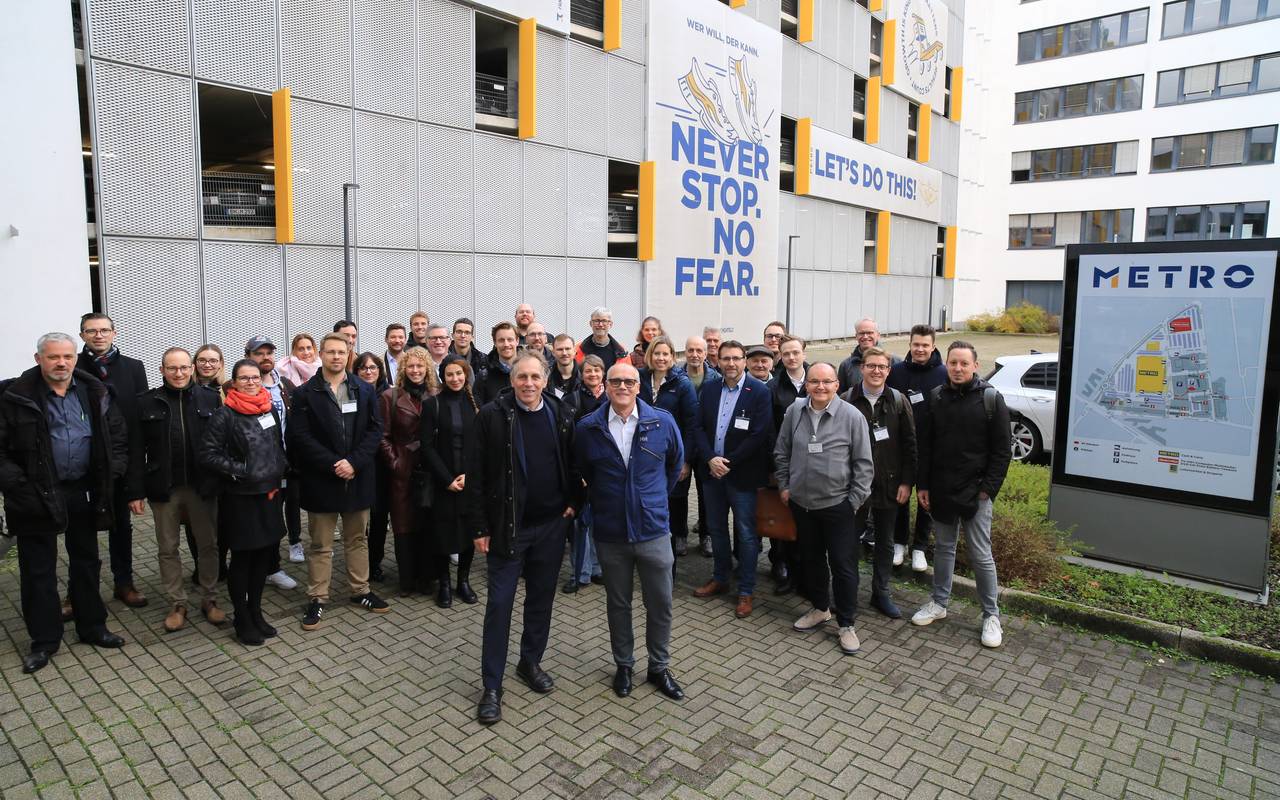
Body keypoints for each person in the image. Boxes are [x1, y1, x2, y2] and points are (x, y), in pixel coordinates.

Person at [0, 333, 128, 674]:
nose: (61, 363)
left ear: (75, 358)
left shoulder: (94, 392)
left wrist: (110, 474)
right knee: (38, 570)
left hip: (83, 491)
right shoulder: (14, 396)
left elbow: (116, 437)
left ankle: (92, 626)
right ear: (38, 357)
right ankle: (44, 641)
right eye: (53, 356)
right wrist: (18, 485)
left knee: (86, 561)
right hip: (35, 495)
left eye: (67, 356)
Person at [465, 351, 581, 724]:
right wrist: (479, 527)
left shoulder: (561, 413)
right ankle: (492, 686)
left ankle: (529, 663)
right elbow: (476, 475)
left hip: (551, 526)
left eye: (535, 377)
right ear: (511, 381)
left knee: (541, 600)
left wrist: (573, 504)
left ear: (545, 380)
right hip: (508, 528)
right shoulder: (492, 416)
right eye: (521, 377)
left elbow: (574, 462)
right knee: (499, 605)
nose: (528, 383)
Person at [575, 362, 685, 701]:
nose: (622, 386)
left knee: (661, 602)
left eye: (629, 381)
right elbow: (581, 473)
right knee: (618, 603)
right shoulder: (588, 428)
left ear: (639, 386)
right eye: (615, 381)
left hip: (653, 530)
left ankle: (658, 666)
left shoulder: (661, 421)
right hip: (611, 532)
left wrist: (650, 500)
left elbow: (674, 465)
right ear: (606, 386)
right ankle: (624, 664)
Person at [911, 341, 1012, 649]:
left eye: (963, 364)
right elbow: (926, 446)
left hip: (976, 492)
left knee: (981, 555)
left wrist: (987, 490)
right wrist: (923, 485)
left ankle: (990, 616)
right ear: (947, 365)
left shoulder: (991, 399)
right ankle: (939, 603)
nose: (957, 368)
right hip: (941, 488)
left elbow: (1002, 452)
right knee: (943, 548)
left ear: (975, 366)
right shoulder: (936, 397)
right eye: (953, 363)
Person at [288, 333, 389, 630]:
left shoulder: (364, 390)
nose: (336, 357)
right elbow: (300, 437)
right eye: (330, 352)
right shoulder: (305, 393)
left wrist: (354, 462)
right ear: (320, 354)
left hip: (357, 477)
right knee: (320, 544)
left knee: (357, 539)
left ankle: (360, 591)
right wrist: (333, 464)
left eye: (341, 352)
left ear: (349, 354)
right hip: (322, 478)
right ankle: (318, 597)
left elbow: (375, 431)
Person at [774, 362, 874, 656]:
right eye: (814, 381)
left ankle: (846, 624)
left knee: (843, 567)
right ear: (807, 385)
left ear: (836, 385)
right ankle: (820, 609)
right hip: (802, 504)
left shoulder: (852, 417)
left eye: (826, 382)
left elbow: (865, 465)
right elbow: (782, 451)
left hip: (838, 506)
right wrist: (784, 486)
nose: (820, 387)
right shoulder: (794, 412)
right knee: (812, 560)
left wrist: (852, 502)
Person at [128, 347, 226, 632]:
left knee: (209, 545)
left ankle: (209, 598)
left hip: (201, 486)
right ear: (161, 371)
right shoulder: (146, 403)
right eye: (172, 368)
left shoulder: (210, 399)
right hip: (164, 487)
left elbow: (222, 443)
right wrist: (134, 492)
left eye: (184, 367)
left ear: (192, 368)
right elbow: (136, 451)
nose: (179, 373)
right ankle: (177, 602)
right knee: (168, 548)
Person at [197, 359, 290, 646]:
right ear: (234, 381)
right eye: (244, 378)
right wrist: (241, 471)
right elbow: (207, 454)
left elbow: (276, 445)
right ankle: (241, 617)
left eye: (254, 377)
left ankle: (256, 611)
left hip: (269, 494)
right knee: (243, 559)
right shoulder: (225, 415)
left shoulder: (269, 408)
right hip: (240, 498)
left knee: (263, 557)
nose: (251, 382)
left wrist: (280, 466)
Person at [692, 340, 773, 618]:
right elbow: (698, 427)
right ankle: (721, 578)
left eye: (736, 358)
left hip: (742, 475)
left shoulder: (759, 392)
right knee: (716, 529)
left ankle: (746, 590)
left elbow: (759, 435)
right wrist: (709, 459)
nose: (731, 364)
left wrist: (728, 462)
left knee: (747, 534)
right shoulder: (710, 388)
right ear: (720, 361)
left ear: (745, 361)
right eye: (726, 358)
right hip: (711, 473)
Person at [76, 312, 148, 608]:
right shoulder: (73, 366)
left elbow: (139, 425)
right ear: (82, 336)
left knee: (121, 527)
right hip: (83, 462)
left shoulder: (133, 368)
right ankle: (80, 590)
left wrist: (136, 483)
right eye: (91, 331)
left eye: (104, 330)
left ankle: (124, 582)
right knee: (81, 531)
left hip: (120, 462)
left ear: (114, 333)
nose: (98, 336)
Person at [841, 347, 916, 619]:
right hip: (854, 486)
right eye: (871, 366)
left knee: (885, 542)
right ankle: (846, 593)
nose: (876, 371)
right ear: (862, 368)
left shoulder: (898, 401)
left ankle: (880, 593)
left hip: (890, 484)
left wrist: (907, 482)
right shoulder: (847, 399)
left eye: (882, 367)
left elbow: (910, 446)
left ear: (888, 370)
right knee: (848, 541)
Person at [887, 324, 948, 571]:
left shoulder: (943, 373)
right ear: (910, 345)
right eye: (916, 345)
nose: (920, 349)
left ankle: (920, 548)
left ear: (933, 346)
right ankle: (899, 543)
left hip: (931, 448)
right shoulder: (897, 372)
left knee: (926, 499)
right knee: (900, 495)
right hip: (901, 446)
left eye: (925, 345)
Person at [420, 355, 480, 607]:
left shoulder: (475, 405)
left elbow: (481, 446)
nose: (455, 379)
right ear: (442, 377)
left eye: (459, 373)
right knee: (442, 534)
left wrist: (469, 475)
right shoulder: (432, 404)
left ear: (466, 375)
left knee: (468, 533)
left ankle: (463, 582)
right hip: (443, 481)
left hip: (469, 481)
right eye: (450, 374)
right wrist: (447, 479)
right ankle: (444, 584)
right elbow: (426, 446)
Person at [378, 346, 438, 597]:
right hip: (403, 471)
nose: (415, 371)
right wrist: (396, 463)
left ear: (427, 369)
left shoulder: (436, 395)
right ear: (403, 369)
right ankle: (406, 580)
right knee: (404, 526)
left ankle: (427, 578)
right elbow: (383, 437)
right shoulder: (390, 397)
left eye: (420, 366)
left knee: (427, 525)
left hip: (431, 470)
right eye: (410, 366)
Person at [246, 336, 300, 591]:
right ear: (249, 356)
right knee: (266, 518)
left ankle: (273, 564)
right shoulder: (240, 387)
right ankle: (269, 567)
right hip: (260, 468)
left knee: (283, 516)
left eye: (269, 352)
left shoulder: (286, 385)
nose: (265, 357)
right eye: (259, 353)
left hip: (288, 464)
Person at [637, 337, 699, 559]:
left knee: (674, 500)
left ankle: (675, 541)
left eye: (665, 354)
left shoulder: (682, 385)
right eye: (657, 353)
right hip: (644, 455)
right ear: (649, 356)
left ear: (673, 357)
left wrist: (686, 460)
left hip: (673, 456)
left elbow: (692, 425)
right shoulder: (640, 379)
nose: (661, 358)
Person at [768, 335, 809, 595]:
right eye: (786, 354)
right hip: (784, 463)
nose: (791, 357)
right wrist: (774, 468)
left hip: (812, 464)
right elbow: (770, 429)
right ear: (780, 356)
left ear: (804, 353)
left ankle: (805, 575)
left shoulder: (817, 380)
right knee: (782, 520)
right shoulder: (773, 387)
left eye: (796, 352)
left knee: (807, 523)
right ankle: (783, 569)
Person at [561, 354, 606, 594]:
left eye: (597, 371)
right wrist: (579, 472)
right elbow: (568, 440)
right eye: (588, 371)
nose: (593, 375)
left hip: (605, 471)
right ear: (582, 373)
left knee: (599, 523)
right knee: (580, 525)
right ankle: (580, 573)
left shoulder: (612, 396)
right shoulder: (572, 399)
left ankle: (598, 569)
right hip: (581, 470)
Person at [353, 351, 392, 582]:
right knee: (358, 520)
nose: (368, 371)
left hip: (382, 465)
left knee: (378, 518)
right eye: (363, 368)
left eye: (373, 368)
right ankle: (358, 563)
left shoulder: (389, 394)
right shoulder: (349, 393)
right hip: (359, 463)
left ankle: (374, 562)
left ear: (380, 371)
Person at [681, 336, 718, 557]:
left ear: (706, 353)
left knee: (707, 495)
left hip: (706, 446)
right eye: (690, 350)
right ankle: (680, 535)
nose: (695, 354)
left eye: (699, 350)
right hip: (684, 444)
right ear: (684, 352)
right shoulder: (676, 376)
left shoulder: (716, 377)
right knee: (679, 493)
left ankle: (706, 534)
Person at [837, 318, 900, 393]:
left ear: (878, 335)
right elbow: (841, 396)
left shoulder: (895, 362)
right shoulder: (846, 365)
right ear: (856, 336)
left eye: (870, 333)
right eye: (861, 333)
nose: (865, 336)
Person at [477, 322, 520, 405]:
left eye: (510, 339)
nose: (506, 344)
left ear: (517, 341)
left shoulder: (529, 371)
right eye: (501, 340)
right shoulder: (484, 376)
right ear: (495, 342)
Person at [576, 307, 629, 371]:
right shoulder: (578, 349)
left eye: (604, 321)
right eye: (597, 321)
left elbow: (627, 376)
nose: (600, 324)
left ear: (610, 324)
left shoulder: (622, 351)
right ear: (591, 323)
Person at [449, 317, 487, 381]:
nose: (463, 336)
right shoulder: (443, 358)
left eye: (467, 332)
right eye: (459, 332)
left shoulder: (484, 360)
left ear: (472, 337)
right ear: (452, 335)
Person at [549, 333, 580, 399]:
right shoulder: (545, 376)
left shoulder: (585, 375)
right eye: (560, 349)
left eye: (568, 349)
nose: (564, 353)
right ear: (553, 352)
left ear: (574, 351)